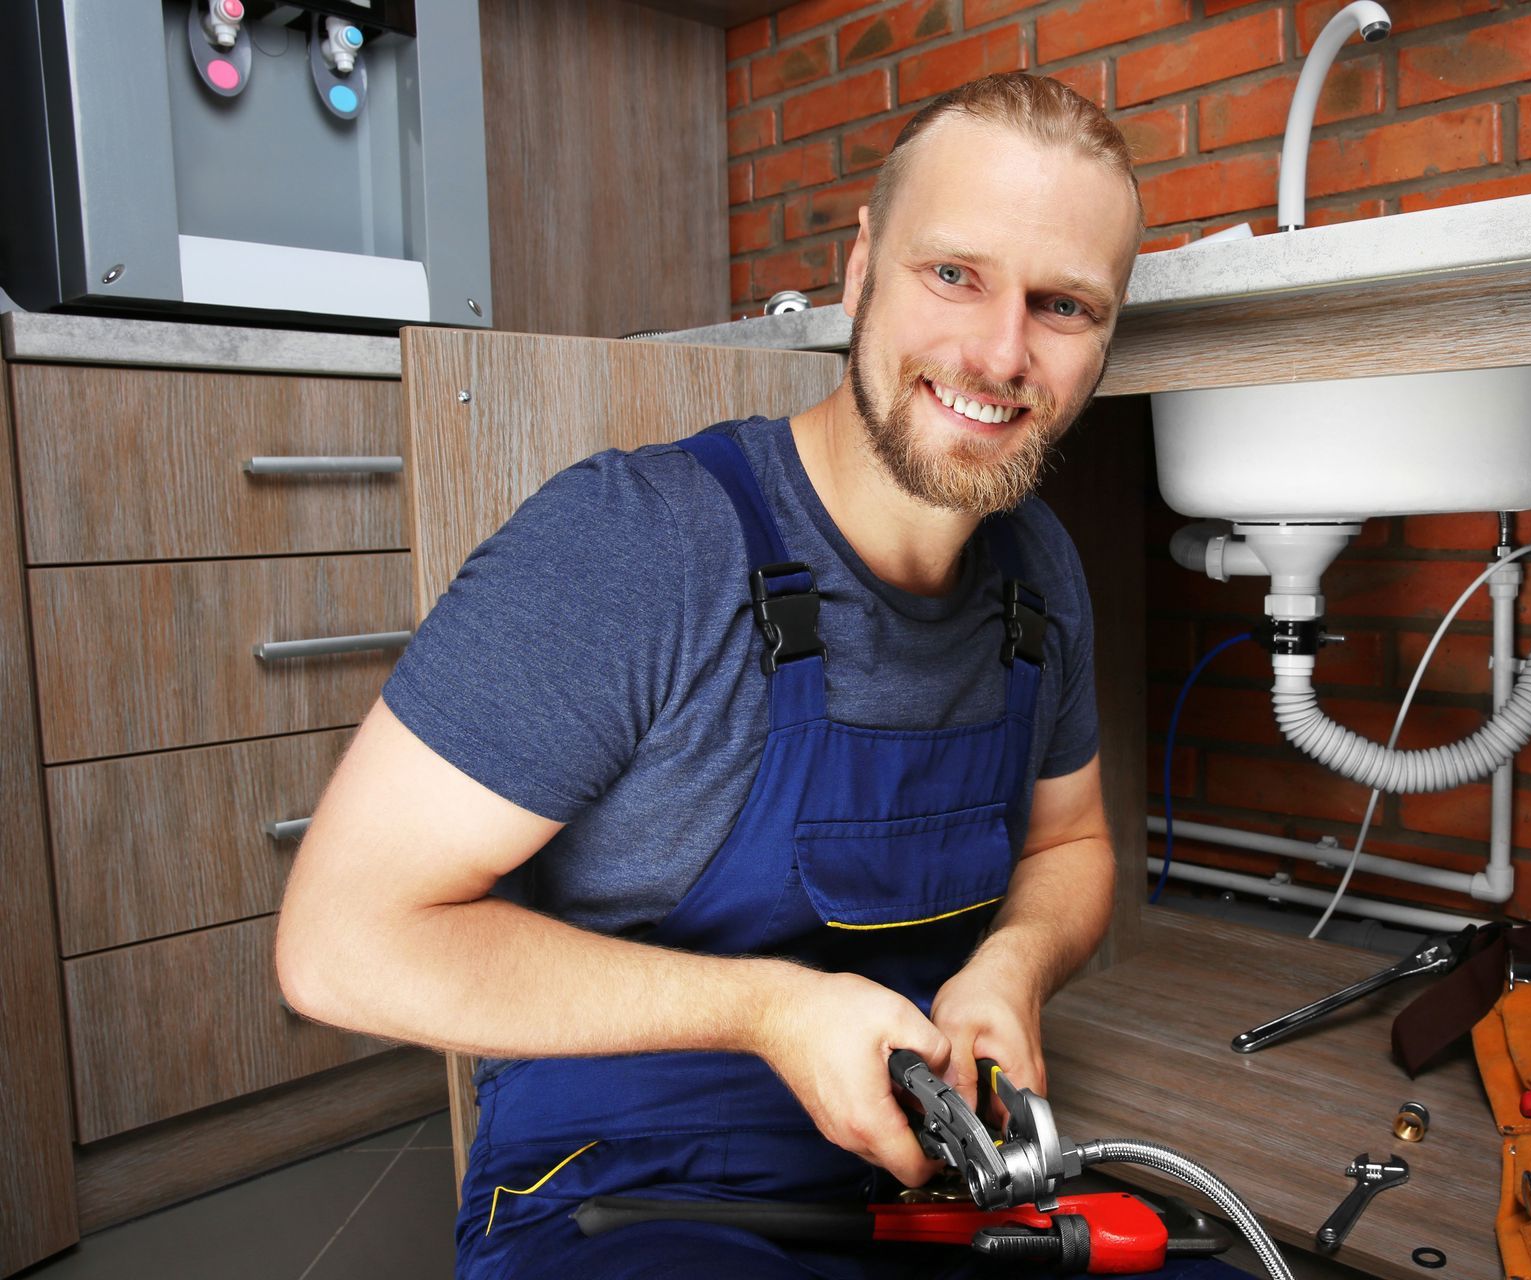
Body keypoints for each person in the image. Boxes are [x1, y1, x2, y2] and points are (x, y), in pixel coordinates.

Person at [277, 74, 1185, 1278]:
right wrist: (771, 1010)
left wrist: (1008, 969)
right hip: (624, 1181)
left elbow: (1070, 848)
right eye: (953, 274)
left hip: (924, 1171)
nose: (1000, 351)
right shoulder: (635, 546)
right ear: (860, 269)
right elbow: (339, 940)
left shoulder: (1038, 577)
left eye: (1062, 304)